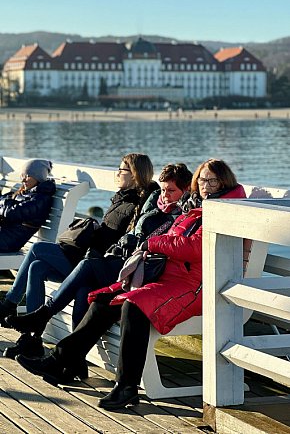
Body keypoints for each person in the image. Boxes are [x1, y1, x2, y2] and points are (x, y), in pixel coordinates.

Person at [14, 158, 246, 411]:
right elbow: (175, 240)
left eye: (212, 180)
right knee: (105, 299)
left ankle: (127, 387)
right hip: (167, 280)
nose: (205, 185)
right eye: (202, 179)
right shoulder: (196, 208)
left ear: (224, 182)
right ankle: (61, 361)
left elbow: (195, 248)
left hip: (197, 286)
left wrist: (152, 243)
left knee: (134, 306)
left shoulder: (225, 210)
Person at [5, 163, 192, 360]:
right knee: (45, 270)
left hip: (132, 266)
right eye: (163, 190)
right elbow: (131, 233)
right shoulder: (139, 202)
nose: (165, 195)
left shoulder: (161, 207)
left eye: (171, 190)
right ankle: (39, 341)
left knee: (59, 258)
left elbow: (151, 240)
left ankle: (33, 314)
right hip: (110, 256)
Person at [0, 153, 157, 331]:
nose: (117, 173)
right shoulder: (121, 196)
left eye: (121, 169)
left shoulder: (140, 203)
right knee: (37, 267)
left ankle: (9, 304)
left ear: (134, 174)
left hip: (95, 263)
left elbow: (125, 239)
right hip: (87, 255)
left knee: (38, 248)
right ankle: (31, 338)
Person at [0, 158, 55, 253]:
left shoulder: (41, 199)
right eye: (23, 175)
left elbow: (11, 212)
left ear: (38, 177)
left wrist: (5, 203)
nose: (24, 180)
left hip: (9, 242)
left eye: (28, 176)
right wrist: (7, 203)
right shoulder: (23, 192)